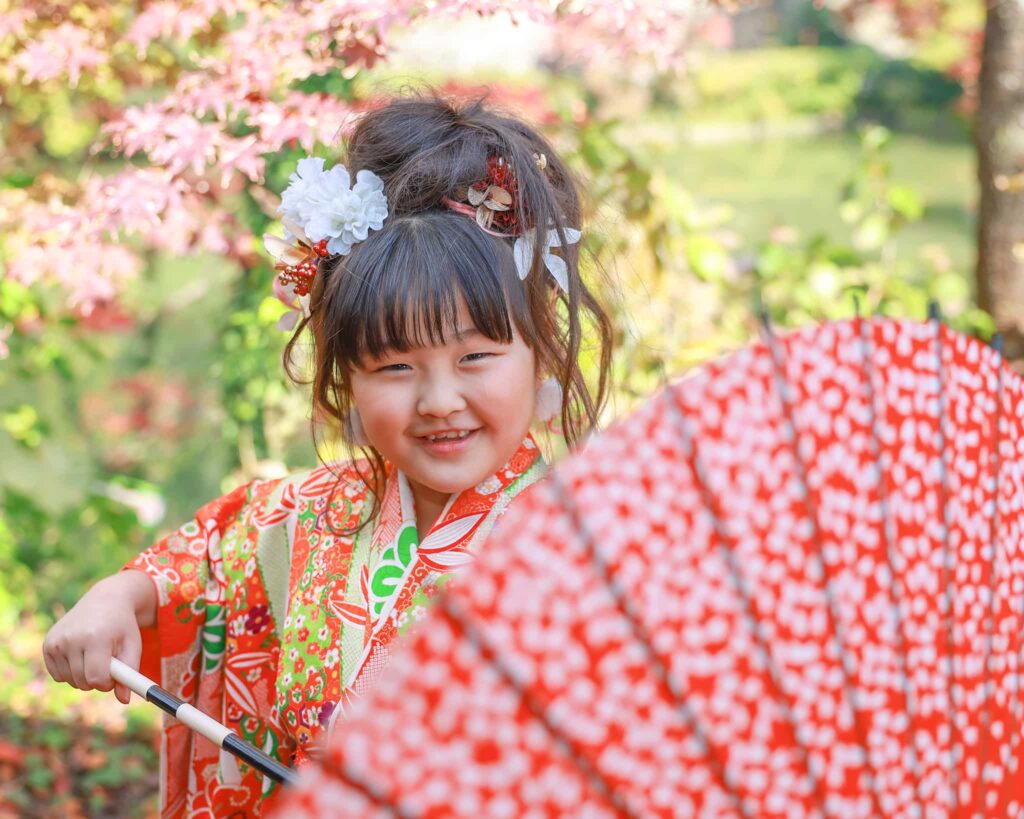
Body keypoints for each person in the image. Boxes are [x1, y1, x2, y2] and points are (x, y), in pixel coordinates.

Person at [41, 94, 613, 817]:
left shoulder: (591, 554)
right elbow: (201, 560)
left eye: (475, 355)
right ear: (345, 374)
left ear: (541, 351)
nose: (438, 399)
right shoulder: (305, 515)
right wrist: (112, 598)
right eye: (395, 366)